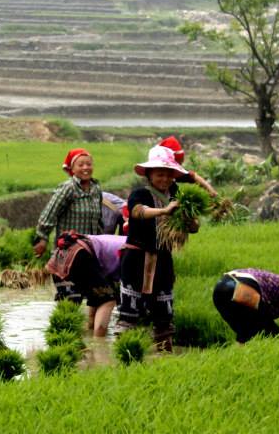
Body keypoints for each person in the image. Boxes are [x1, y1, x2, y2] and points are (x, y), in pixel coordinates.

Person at [117, 145, 187, 351]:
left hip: (163, 259)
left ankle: (164, 356)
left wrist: (190, 221)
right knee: (129, 313)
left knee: (164, 315)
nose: (164, 179)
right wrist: (164, 211)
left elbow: (191, 226)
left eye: (168, 175)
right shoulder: (139, 194)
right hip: (136, 258)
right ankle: (126, 356)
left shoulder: (176, 194)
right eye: (159, 174)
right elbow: (138, 212)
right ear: (149, 174)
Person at [45, 232, 126, 336]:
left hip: (61, 257)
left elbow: (98, 292)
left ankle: (84, 337)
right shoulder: (137, 249)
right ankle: (99, 344)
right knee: (108, 300)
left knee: (72, 310)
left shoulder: (127, 241)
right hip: (79, 256)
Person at [212, 266, 279, 344]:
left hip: (220, 288)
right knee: (272, 333)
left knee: (245, 330)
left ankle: (237, 357)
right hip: (243, 287)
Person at [33, 148, 104, 257]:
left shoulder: (96, 189)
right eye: (80, 165)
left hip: (89, 251)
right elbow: (50, 213)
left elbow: (98, 221)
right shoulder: (69, 188)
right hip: (67, 251)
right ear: (72, 169)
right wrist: (42, 238)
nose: (85, 167)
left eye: (89, 164)